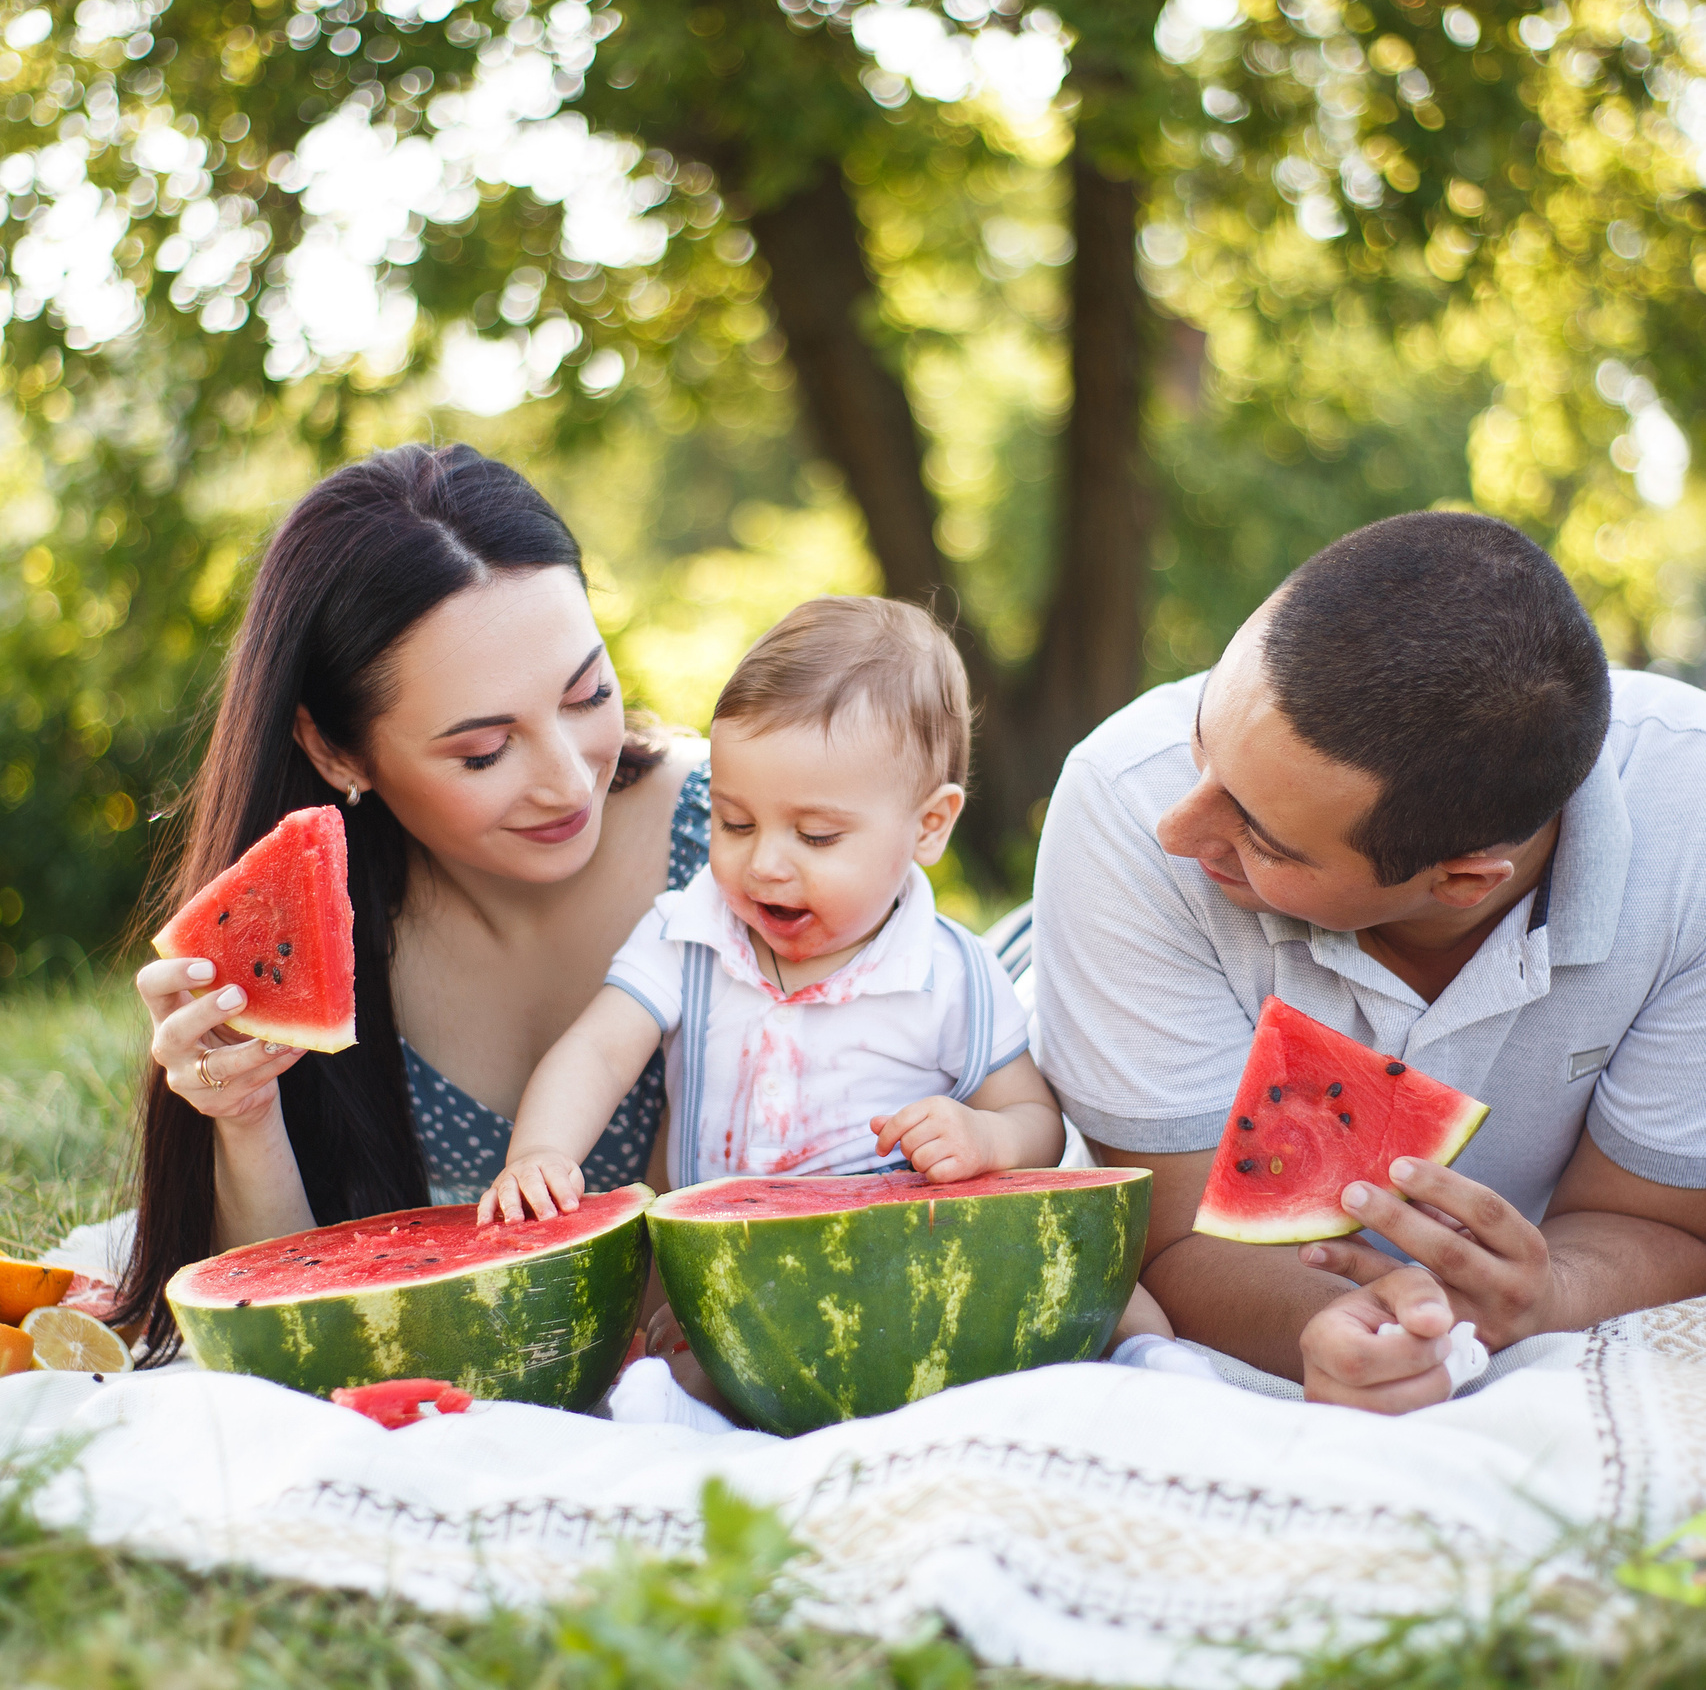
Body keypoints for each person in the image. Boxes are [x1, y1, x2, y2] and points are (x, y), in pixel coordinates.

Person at [1032, 511, 1706, 1413]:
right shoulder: (1122, 799)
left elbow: (1655, 1218)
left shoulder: (1691, 834)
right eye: (1205, 738)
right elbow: (1173, 1241)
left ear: (1464, 880)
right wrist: (1332, 1327)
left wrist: (1550, 1295)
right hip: (1059, 988)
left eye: (1261, 838)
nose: (1179, 828)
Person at [123, 444, 710, 1358]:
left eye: (589, 693)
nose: (567, 782)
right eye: (483, 752)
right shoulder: (317, 924)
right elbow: (285, 1305)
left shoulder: (740, 838)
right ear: (337, 752)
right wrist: (245, 1114)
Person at [480, 596, 1069, 1223]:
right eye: (735, 823)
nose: (764, 864)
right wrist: (541, 1151)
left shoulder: (951, 972)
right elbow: (597, 1052)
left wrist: (986, 1138)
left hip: (892, 1273)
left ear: (928, 826)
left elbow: (1037, 1121)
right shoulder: (688, 935)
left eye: (815, 836)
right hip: (715, 1269)